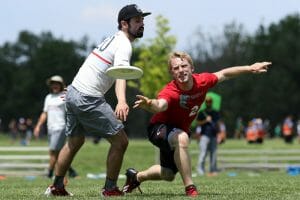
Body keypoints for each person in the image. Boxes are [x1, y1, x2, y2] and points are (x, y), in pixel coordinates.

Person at [122, 51, 271, 197]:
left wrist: (250, 68)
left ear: (191, 68)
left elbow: (224, 73)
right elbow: (160, 105)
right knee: (182, 138)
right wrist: (149, 104)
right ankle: (190, 188)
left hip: (177, 132)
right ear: (172, 73)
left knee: (168, 174)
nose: (181, 70)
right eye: (176, 68)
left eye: (184, 66)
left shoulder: (203, 81)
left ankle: (135, 177)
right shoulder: (171, 91)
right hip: (158, 128)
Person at [44, 4, 151, 197]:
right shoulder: (124, 44)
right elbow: (120, 75)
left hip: (75, 92)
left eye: (142, 20)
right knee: (121, 141)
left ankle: (56, 187)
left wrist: (74, 89)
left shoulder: (112, 39)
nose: (142, 24)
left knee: (74, 142)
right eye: (137, 20)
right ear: (124, 24)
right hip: (87, 97)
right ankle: (110, 189)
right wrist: (121, 101)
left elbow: (91, 63)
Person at [34, 75, 78, 179]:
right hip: (50, 128)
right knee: (55, 152)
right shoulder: (48, 97)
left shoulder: (64, 95)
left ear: (61, 85)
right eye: (53, 83)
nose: (55, 85)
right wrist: (38, 126)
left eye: (57, 83)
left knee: (54, 152)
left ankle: (49, 174)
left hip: (60, 127)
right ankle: (71, 171)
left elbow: (74, 104)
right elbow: (44, 113)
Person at [196, 96, 220, 176]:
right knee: (203, 153)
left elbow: (218, 123)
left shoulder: (215, 112)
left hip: (213, 135)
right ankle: (200, 170)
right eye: (207, 101)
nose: (208, 103)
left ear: (211, 102)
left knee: (213, 154)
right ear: (205, 103)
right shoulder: (202, 112)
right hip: (204, 135)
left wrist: (219, 134)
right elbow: (198, 123)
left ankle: (213, 170)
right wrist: (205, 120)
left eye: (210, 101)